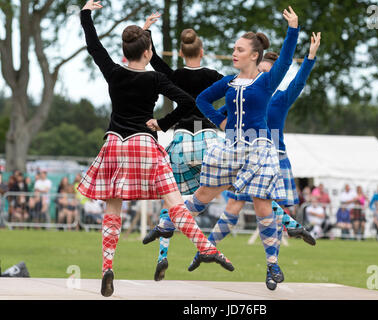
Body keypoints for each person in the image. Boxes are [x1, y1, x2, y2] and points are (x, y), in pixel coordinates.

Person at [77, 0, 233, 297]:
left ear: (124, 53)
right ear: (148, 53)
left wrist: (86, 13)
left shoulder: (114, 72)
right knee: (175, 202)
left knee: (113, 206)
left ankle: (107, 266)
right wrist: (163, 123)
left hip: (114, 144)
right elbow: (188, 101)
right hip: (144, 143)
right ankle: (204, 246)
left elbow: (94, 45)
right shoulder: (155, 78)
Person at [170, 6, 301, 291]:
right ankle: (169, 223)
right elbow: (203, 100)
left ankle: (272, 265)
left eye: (240, 49)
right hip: (232, 149)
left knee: (263, 204)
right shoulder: (228, 81)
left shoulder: (266, 81)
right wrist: (219, 120)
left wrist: (293, 30)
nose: (234, 53)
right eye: (234, 49)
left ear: (254, 55)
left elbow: (288, 59)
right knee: (203, 195)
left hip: (261, 148)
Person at [141, 14, 225, 281]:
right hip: (208, 139)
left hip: (181, 140)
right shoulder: (213, 76)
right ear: (202, 51)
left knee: (171, 198)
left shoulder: (175, 75)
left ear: (180, 51)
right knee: (236, 186)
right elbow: (240, 86)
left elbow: (153, 59)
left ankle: (162, 255)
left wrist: (146, 31)